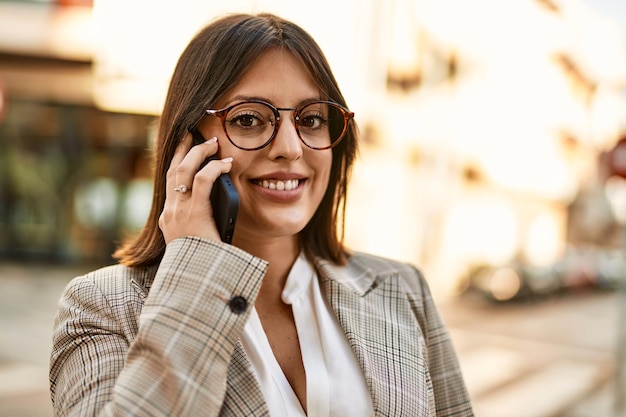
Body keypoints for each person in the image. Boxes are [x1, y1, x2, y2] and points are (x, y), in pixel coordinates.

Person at [49, 12, 473, 417]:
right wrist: (197, 266)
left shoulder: (401, 290)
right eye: (249, 119)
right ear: (188, 146)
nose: (290, 146)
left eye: (311, 119)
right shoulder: (102, 307)